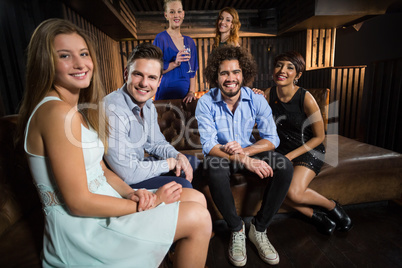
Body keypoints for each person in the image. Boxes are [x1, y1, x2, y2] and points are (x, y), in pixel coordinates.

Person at [17, 18, 211, 268]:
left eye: (84, 53)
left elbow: (103, 171)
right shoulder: (58, 113)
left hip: (107, 198)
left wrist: (133, 194)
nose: (80, 63)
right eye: (65, 56)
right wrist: (149, 203)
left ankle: (179, 248)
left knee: (196, 199)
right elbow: (77, 203)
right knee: (197, 216)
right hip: (83, 231)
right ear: (45, 61)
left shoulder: (73, 110)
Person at [195, 46, 293, 267]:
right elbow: (209, 145)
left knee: (284, 165)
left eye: (235, 72)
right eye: (224, 73)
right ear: (215, 76)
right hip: (221, 155)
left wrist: (246, 152)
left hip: (246, 150)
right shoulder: (206, 102)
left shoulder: (257, 99)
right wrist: (244, 160)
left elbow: (272, 139)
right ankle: (237, 228)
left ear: (243, 73)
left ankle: (258, 229)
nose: (231, 78)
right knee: (213, 167)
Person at [264, 51, 352, 235]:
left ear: (298, 75)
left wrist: (289, 156)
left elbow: (319, 137)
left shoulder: (306, 98)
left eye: (290, 67)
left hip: (308, 149)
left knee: (293, 192)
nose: (282, 70)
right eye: (279, 65)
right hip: (281, 150)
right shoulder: (267, 94)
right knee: (270, 185)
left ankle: (332, 206)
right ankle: (317, 217)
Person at [104, 42, 200, 190]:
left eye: (152, 77)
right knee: (183, 185)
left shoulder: (148, 105)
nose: (144, 83)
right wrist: (169, 163)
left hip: (137, 166)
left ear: (159, 81)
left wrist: (177, 156)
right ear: (126, 74)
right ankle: (190, 203)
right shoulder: (112, 108)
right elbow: (127, 173)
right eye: (138, 75)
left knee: (192, 162)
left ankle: (194, 204)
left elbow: (155, 143)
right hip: (122, 181)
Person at [153, 0, 198, 103]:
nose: (176, 15)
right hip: (165, 98)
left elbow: (193, 72)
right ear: (166, 15)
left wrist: (191, 92)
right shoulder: (161, 39)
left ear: (183, 14)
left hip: (186, 100)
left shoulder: (190, 42)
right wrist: (175, 63)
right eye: (172, 12)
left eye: (179, 11)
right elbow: (155, 71)